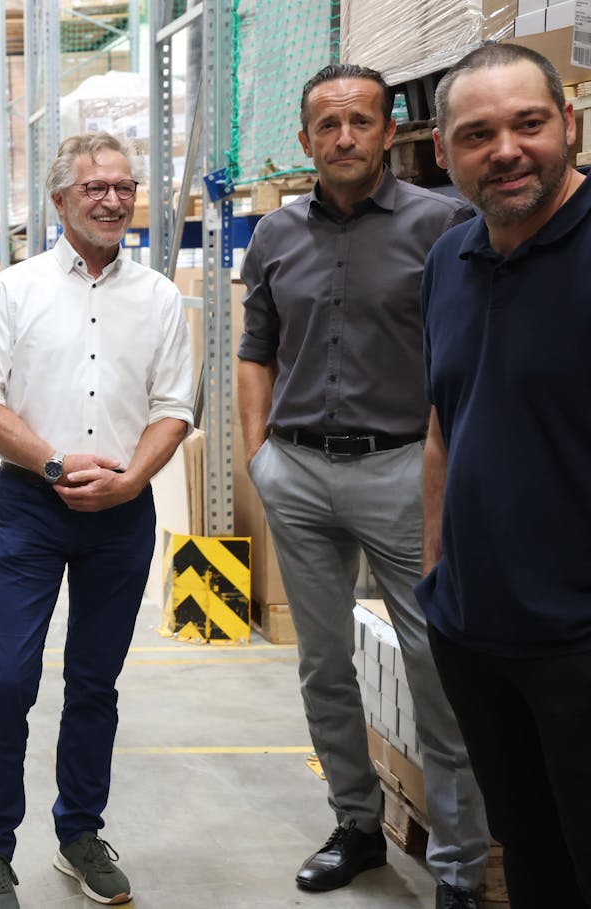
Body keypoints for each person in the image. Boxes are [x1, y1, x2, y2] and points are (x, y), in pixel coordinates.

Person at [236, 63, 488, 906]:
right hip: (299, 471)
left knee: (435, 664)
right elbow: (253, 352)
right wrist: (258, 457)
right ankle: (355, 822)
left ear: (390, 132)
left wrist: (440, 465)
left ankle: (457, 860)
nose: (344, 138)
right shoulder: (274, 235)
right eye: (327, 126)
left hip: (402, 470)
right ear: (305, 140)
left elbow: (467, 356)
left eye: (360, 122)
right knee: (322, 664)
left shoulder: (444, 223)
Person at [0, 131, 193, 908]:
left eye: (124, 186)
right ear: (60, 200)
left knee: (96, 682)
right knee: (7, 680)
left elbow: (174, 407)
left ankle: (79, 833)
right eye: (95, 187)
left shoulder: (159, 297)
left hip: (123, 512)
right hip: (33, 504)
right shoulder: (16, 290)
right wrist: (54, 465)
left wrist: (131, 482)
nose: (113, 199)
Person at [422, 42, 591, 906]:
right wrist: (435, 579)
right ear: (445, 152)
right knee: (528, 853)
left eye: (528, 124)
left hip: (578, 638)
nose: (507, 150)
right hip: (476, 633)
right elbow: (446, 425)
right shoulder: (449, 261)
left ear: (567, 123)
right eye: (477, 133)